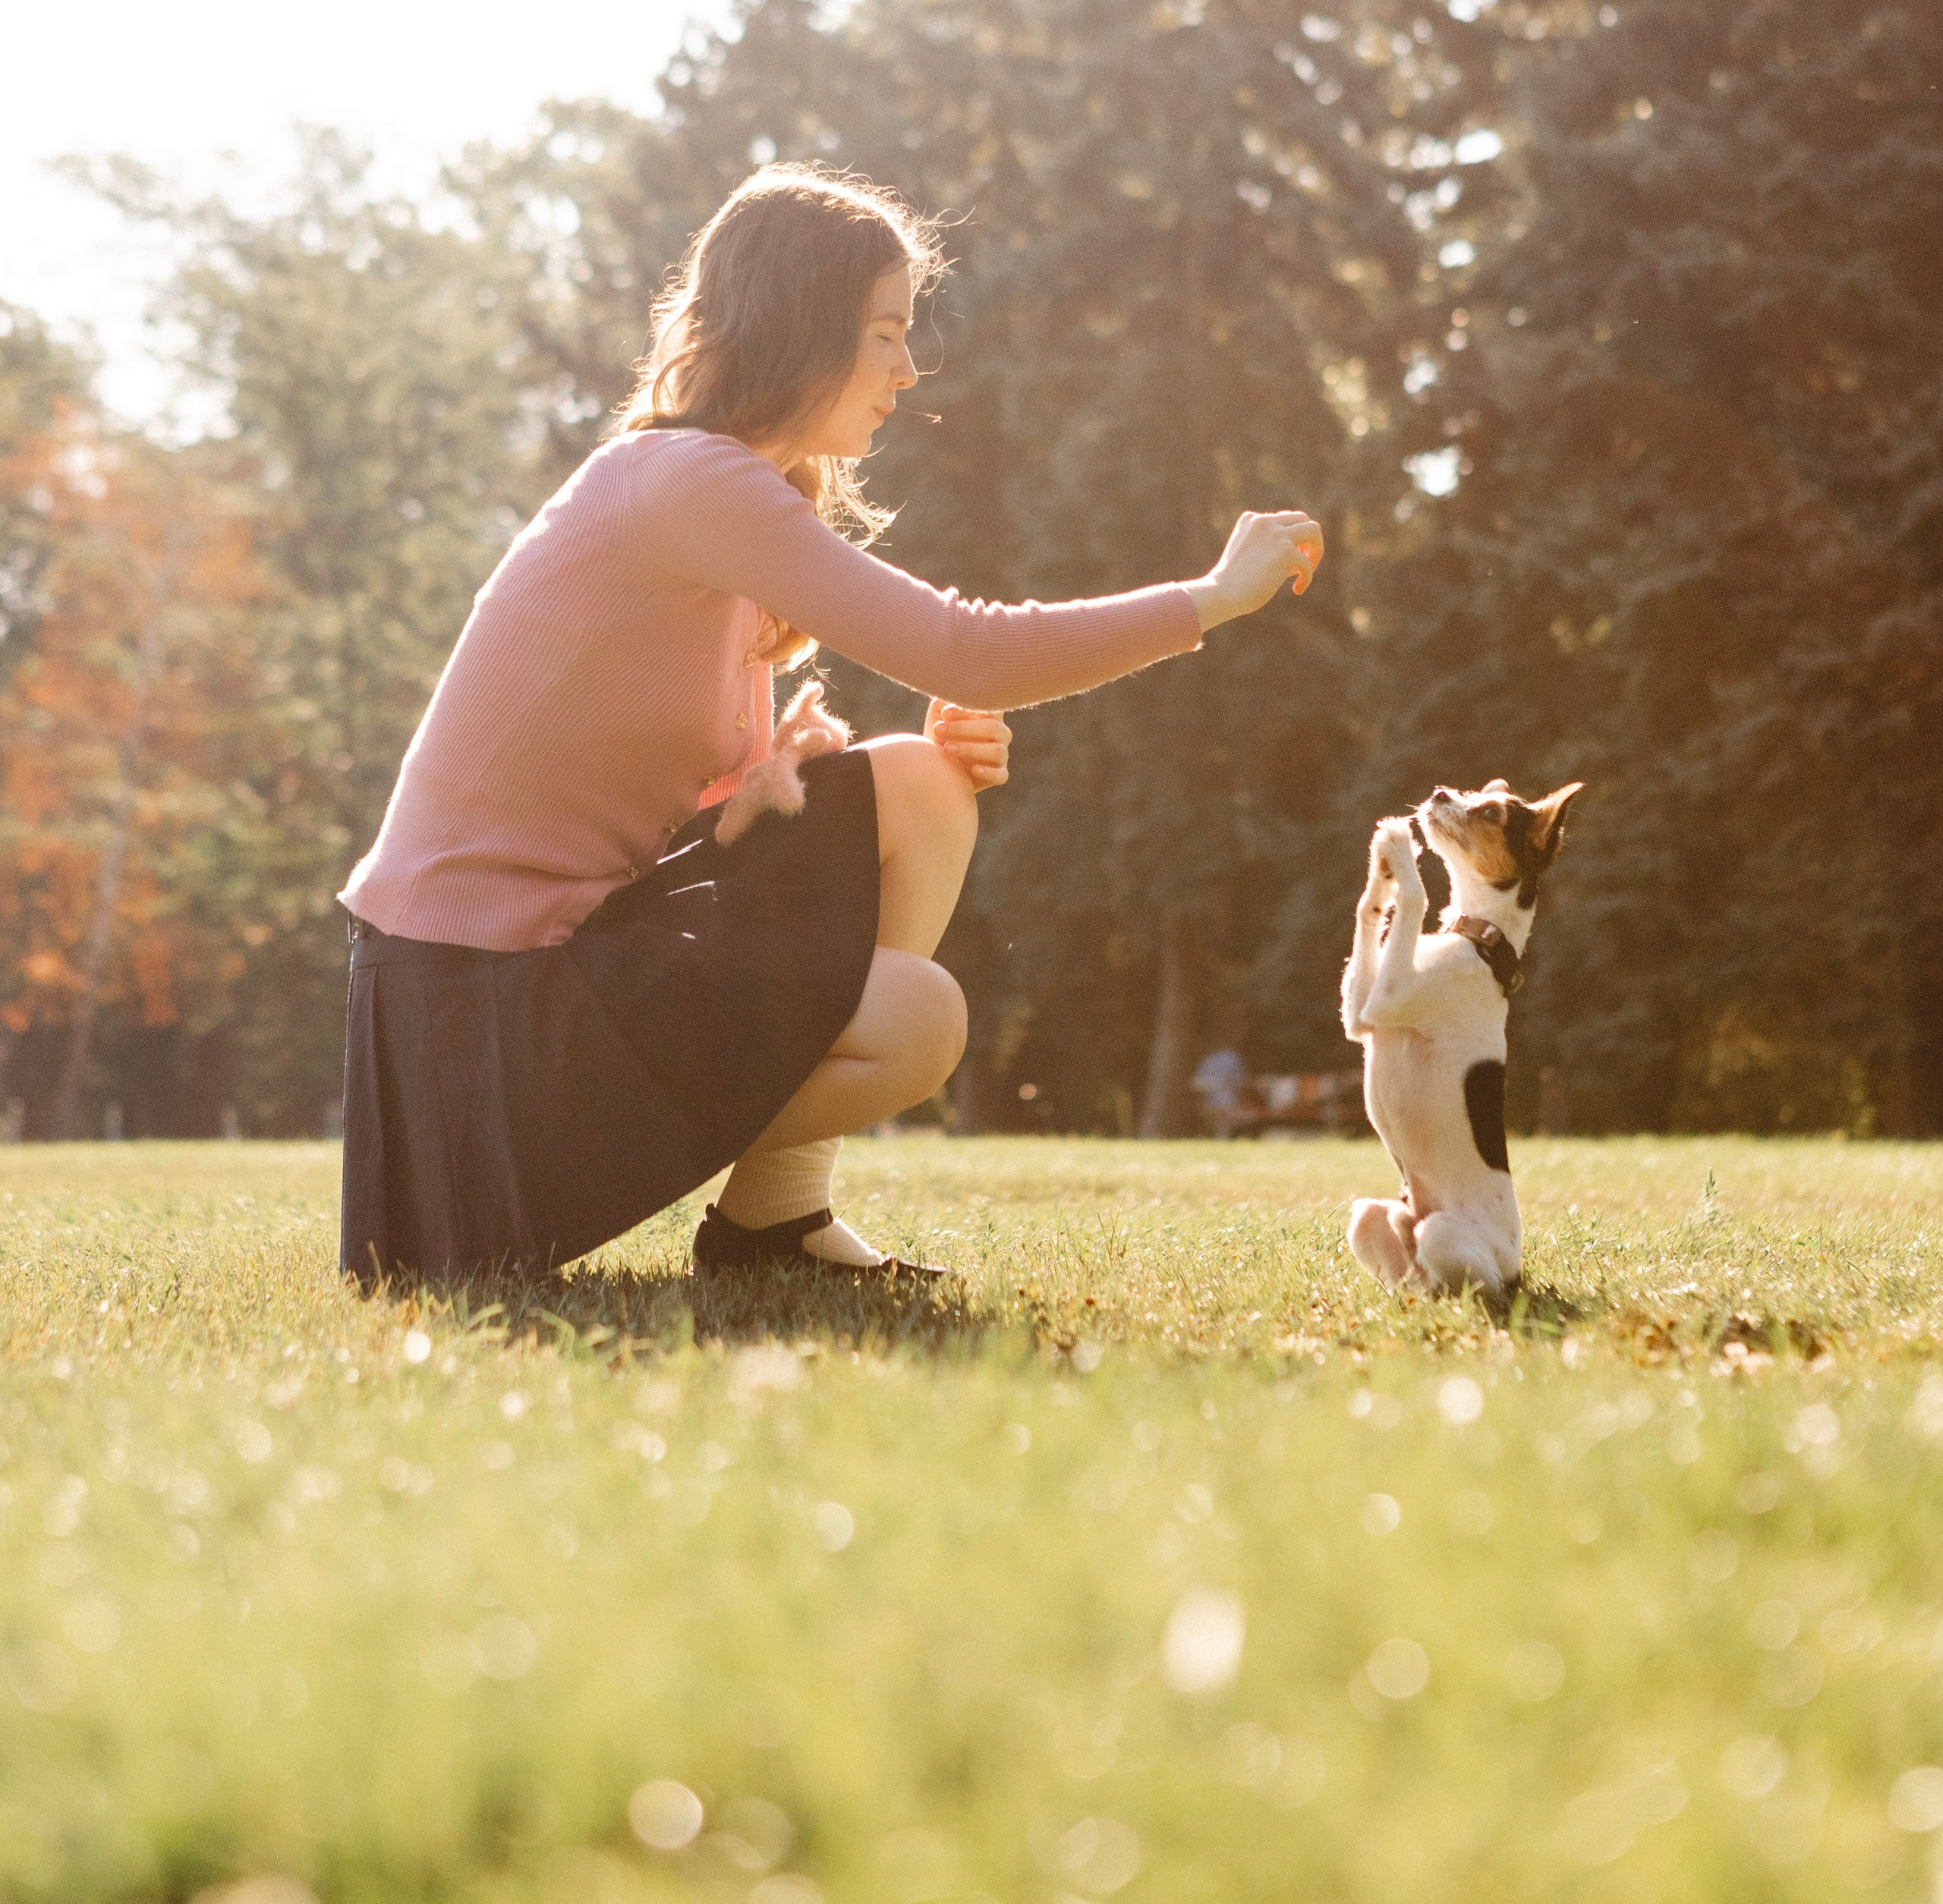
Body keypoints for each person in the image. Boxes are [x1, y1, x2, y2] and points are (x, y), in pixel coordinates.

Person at [337, 163, 1324, 1286]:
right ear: (801, 332)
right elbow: (966, 646)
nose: (909, 368)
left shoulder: (722, 495)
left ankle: (774, 1224)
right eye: (886, 333)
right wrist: (1211, 598)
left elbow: (607, 803)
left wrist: (766, 782)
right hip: (470, 1016)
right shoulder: (684, 483)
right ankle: (752, 1220)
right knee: (918, 1018)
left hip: (552, 969)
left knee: (916, 783)